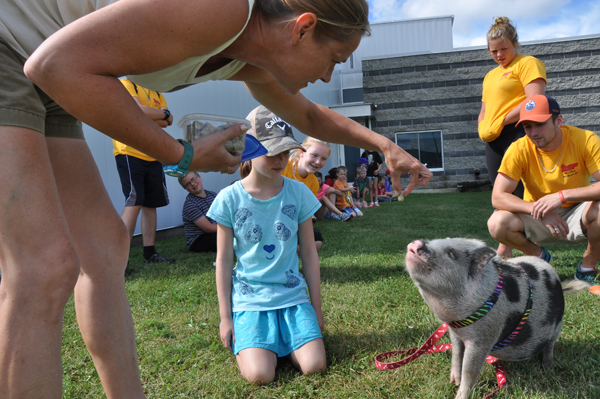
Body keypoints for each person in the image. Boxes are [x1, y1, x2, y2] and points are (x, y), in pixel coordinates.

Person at [1, 0, 431, 395]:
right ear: (302, 29)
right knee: (42, 266)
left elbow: (310, 114)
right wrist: (182, 154)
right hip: (13, 50)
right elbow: (53, 64)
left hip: (47, 73)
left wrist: (384, 146)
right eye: (333, 60)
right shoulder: (223, 9)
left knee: (105, 250)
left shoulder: (248, 58)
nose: (325, 77)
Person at [207, 105, 326, 384]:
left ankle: (288, 340)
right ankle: (262, 346)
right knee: (260, 375)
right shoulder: (229, 199)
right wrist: (226, 318)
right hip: (251, 302)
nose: (280, 160)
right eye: (272, 153)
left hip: (292, 298)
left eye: (285, 152)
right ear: (249, 150)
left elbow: (309, 253)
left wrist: (316, 310)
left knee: (315, 366)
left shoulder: (298, 192)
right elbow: (223, 261)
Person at [487, 95, 600, 291]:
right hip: (538, 216)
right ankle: (539, 257)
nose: (533, 132)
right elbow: (498, 196)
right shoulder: (519, 148)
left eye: (540, 124)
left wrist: (562, 196)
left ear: (559, 121)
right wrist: (538, 209)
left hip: (578, 213)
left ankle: (587, 268)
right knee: (497, 223)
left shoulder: (585, 139)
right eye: (528, 126)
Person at [478, 17, 547, 259]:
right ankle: (506, 248)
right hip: (494, 139)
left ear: (515, 44)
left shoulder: (528, 63)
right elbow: (485, 109)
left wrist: (501, 121)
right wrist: (483, 126)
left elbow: (534, 101)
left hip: (518, 131)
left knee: (518, 192)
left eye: (503, 49)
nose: (499, 54)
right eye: (493, 50)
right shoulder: (489, 76)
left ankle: (506, 251)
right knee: (500, 193)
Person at [114, 79, 175, 264]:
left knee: (151, 204)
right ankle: (119, 260)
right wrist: (161, 113)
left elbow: (167, 122)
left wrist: (155, 114)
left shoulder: (158, 92)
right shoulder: (126, 83)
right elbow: (138, 110)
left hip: (153, 154)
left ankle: (150, 254)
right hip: (129, 151)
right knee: (134, 201)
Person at [283, 135, 330, 220]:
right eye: (314, 155)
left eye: (323, 158)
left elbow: (306, 211)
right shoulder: (283, 168)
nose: (318, 162)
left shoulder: (314, 183)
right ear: (301, 152)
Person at [179, 171, 218, 253]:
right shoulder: (190, 204)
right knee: (226, 235)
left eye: (193, 179)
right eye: (188, 184)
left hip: (214, 233)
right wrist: (230, 228)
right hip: (198, 240)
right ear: (185, 188)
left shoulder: (213, 195)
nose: (192, 184)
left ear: (200, 177)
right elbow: (208, 228)